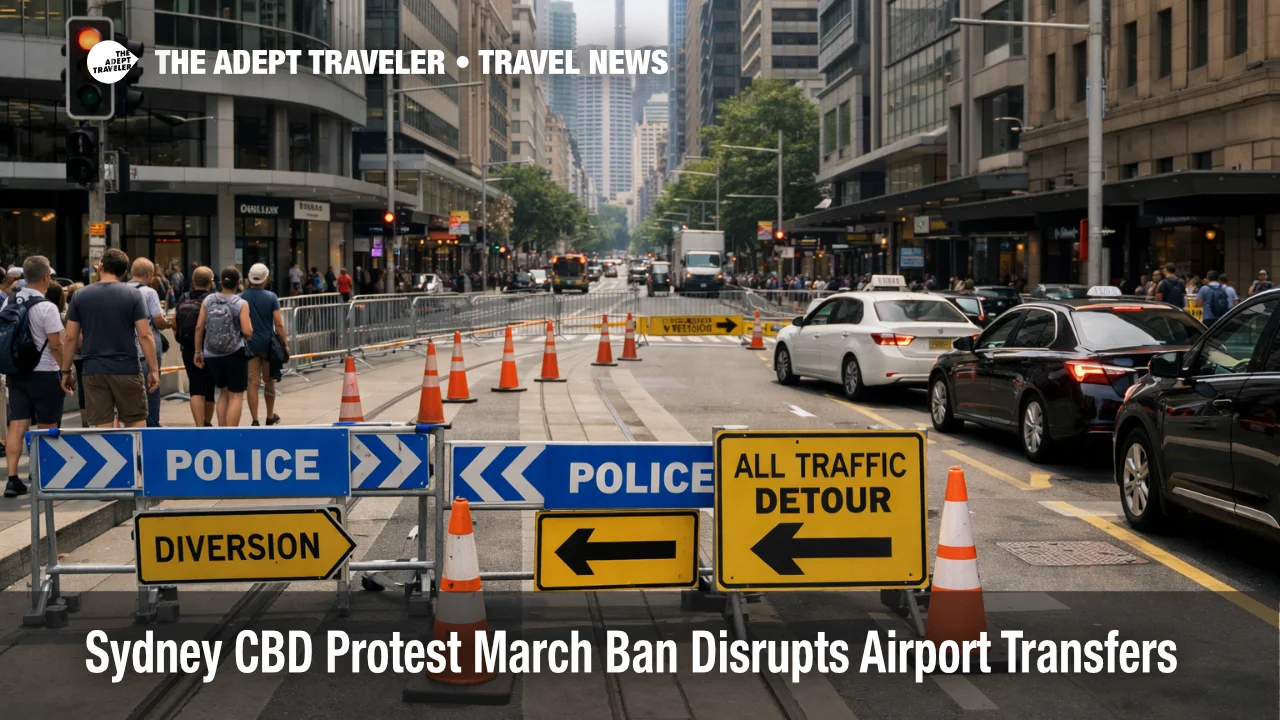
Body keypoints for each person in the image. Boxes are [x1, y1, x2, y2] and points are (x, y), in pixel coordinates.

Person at [60, 248, 158, 430]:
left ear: (101, 266)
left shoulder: (81, 295)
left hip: (94, 370)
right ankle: (134, 457)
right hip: (127, 368)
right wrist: (153, 369)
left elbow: (70, 337)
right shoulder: (133, 295)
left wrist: (66, 371)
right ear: (124, 271)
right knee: (135, 421)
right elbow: (145, 335)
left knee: (102, 425)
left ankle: (109, 457)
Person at [1, 257, 66, 497]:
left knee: (17, 424)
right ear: (47, 277)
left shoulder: (8, 300)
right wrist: (66, 372)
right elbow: (57, 345)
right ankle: (43, 476)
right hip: (44, 373)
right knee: (47, 426)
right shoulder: (47, 307)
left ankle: (12, 479)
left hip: (16, 373)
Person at [194, 266, 253, 427]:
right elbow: (247, 331)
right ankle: (232, 434)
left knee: (223, 393)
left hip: (212, 354)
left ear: (220, 282)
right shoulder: (240, 303)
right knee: (236, 396)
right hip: (234, 352)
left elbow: (199, 327)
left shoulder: (208, 300)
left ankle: (222, 431)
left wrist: (198, 351)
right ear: (238, 282)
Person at [242, 263, 288, 427]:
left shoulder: (242, 296)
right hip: (268, 345)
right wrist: (285, 343)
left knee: (252, 383)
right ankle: (270, 415)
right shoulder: (271, 297)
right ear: (266, 278)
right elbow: (278, 322)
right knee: (269, 381)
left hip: (249, 344)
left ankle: (254, 419)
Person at [129, 258, 172, 428]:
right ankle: (152, 424)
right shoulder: (149, 292)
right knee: (151, 388)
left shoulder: (120, 289)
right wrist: (168, 323)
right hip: (146, 349)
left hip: (126, 348)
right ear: (148, 274)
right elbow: (157, 319)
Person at [174, 267, 215, 427]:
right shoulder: (212, 299)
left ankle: (199, 426)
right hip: (210, 348)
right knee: (209, 387)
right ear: (211, 282)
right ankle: (207, 422)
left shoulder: (184, 298)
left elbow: (174, 322)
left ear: (192, 281)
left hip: (188, 348)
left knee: (195, 387)